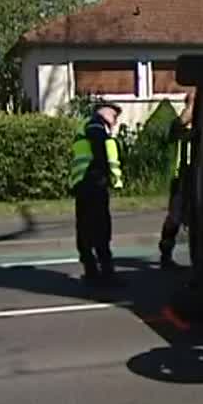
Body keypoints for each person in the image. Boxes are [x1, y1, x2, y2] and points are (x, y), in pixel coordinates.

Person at [70, 101, 125, 284]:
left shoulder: (87, 125)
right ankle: (106, 272)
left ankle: (91, 269)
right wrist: (104, 176)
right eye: (114, 117)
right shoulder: (96, 125)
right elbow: (100, 152)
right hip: (94, 183)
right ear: (105, 112)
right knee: (100, 228)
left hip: (84, 184)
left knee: (85, 228)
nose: (115, 122)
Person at [159, 90, 195, 269]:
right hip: (182, 177)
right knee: (175, 217)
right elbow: (178, 127)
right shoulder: (180, 127)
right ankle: (165, 253)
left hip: (198, 175)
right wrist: (192, 105)